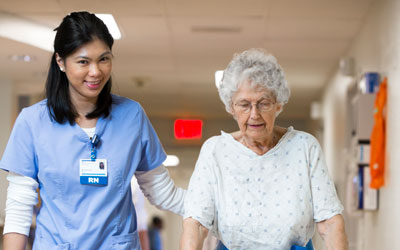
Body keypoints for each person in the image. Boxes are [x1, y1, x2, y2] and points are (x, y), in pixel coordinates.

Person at [1, 11, 185, 250]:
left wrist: (217, 204)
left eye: (104, 59)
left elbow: (162, 192)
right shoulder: (32, 122)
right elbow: (19, 208)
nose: (96, 72)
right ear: (60, 62)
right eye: (83, 61)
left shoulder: (132, 116)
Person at [180, 49, 348, 250]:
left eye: (263, 103)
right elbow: (196, 224)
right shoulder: (215, 151)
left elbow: (330, 223)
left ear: (278, 104)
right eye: (244, 105)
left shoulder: (304, 147)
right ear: (231, 107)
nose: (254, 114)